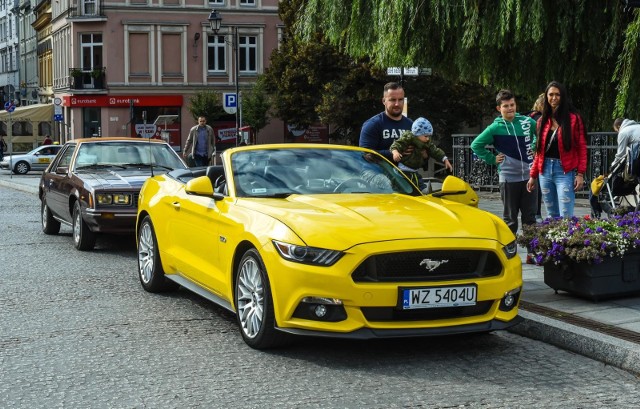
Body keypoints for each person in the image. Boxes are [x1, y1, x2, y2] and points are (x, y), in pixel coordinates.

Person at [471, 89, 537, 237]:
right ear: (499, 108)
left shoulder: (527, 122)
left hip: (529, 177)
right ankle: (510, 251)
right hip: (508, 179)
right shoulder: (495, 128)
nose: (510, 108)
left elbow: (541, 135)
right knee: (510, 219)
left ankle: (532, 253)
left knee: (530, 219)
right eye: (505, 106)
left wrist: (534, 146)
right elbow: (476, 145)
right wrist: (492, 159)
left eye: (512, 104)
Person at [527, 81, 587, 218]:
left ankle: (567, 239)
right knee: (551, 214)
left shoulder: (574, 119)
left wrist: (580, 174)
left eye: (557, 95)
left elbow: (582, 147)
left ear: (563, 96)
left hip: (564, 171)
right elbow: (539, 152)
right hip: (545, 171)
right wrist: (532, 176)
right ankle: (553, 240)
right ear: (546, 97)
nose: (554, 98)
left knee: (566, 214)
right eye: (551, 94)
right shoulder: (541, 121)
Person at [390, 117, 452, 190]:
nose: (428, 138)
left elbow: (435, 150)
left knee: (419, 186)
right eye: (425, 136)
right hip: (404, 171)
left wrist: (445, 159)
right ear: (417, 134)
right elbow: (397, 144)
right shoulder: (408, 137)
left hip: (414, 170)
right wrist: (395, 152)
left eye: (429, 136)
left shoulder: (426, 142)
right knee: (406, 187)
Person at [359, 82, 413, 161]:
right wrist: (394, 153)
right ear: (384, 101)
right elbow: (364, 154)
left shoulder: (411, 125)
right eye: (393, 100)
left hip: (405, 173)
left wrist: (423, 154)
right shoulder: (373, 124)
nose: (397, 104)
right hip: (378, 172)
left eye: (400, 99)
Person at [525, 93, 545, 222]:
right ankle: (536, 212)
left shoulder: (528, 117)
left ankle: (532, 212)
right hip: (536, 155)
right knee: (536, 185)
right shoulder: (541, 119)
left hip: (526, 155)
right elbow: (538, 137)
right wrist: (534, 148)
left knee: (530, 184)